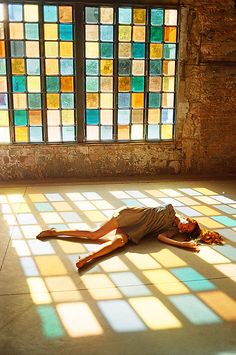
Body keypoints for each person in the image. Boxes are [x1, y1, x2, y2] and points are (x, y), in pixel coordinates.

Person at [36, 204, 224, 269]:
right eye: (187, 224)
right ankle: (55, 232)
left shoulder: (172, 231)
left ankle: (87, 257)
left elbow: (161, 238)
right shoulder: (170, 210)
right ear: (187, 218)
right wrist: (186, 241)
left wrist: (185, 244)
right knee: (95, 234)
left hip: (134, 231)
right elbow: (165, 217)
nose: (183, 228)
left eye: (185, 231)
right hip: (129, 216)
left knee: (118, 243)